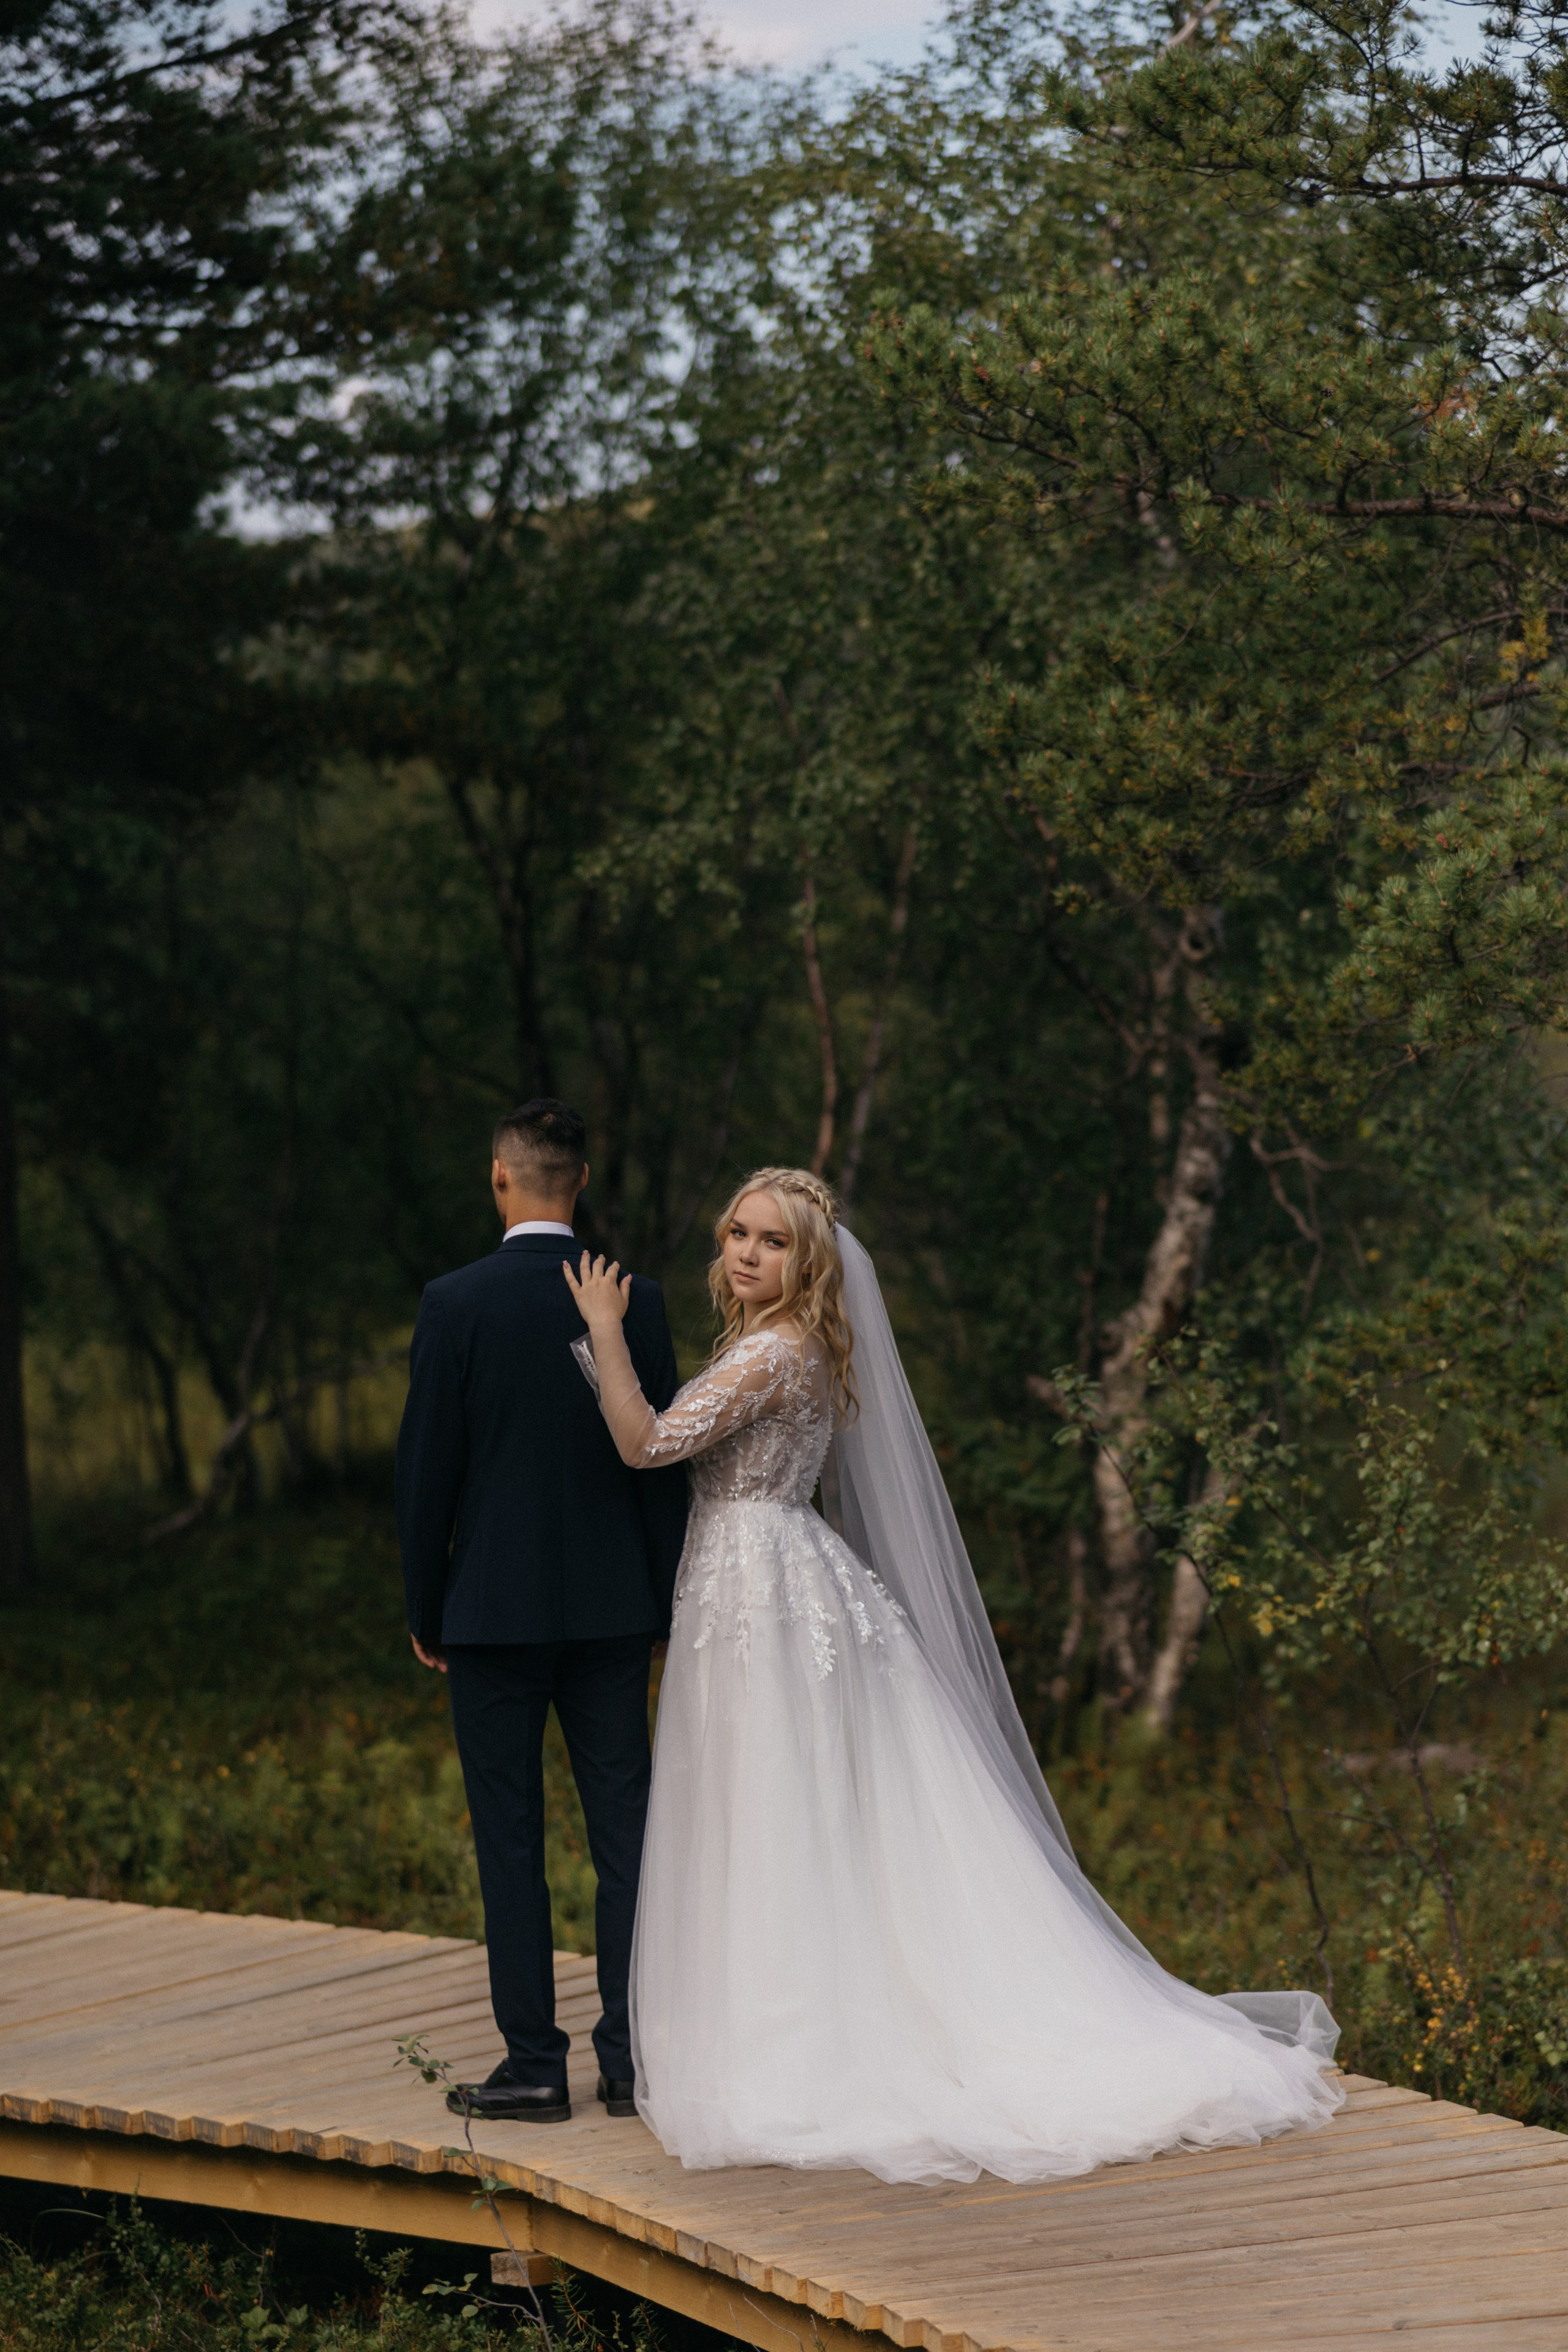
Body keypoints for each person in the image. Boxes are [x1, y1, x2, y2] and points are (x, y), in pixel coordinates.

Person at [563, 1166, 1343, 2187]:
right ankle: (779, 2023)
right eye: (736, 1235)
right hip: (757, 1580)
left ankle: (797, 2049)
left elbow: (645, 1441)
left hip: (764, 1590)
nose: (744, 1254)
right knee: (771, 1810)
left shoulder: (775, 1352)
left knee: (775, 1808)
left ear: (812, 1262)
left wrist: (605, 1330)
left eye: (772, 1242)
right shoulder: (778, 1346)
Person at [396, 1099, 687, 2125]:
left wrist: (425, 1606)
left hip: (492, 1615)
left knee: (510, 1840)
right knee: (628, 1837)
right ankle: (630, 2059)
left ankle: (532, 2066)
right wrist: (661, 1604)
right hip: (613, 1613)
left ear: (500, 1178)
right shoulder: (636, 1300)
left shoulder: (455, 1302)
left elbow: (428, 1470)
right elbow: (662, 1469)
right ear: (584, 1182)